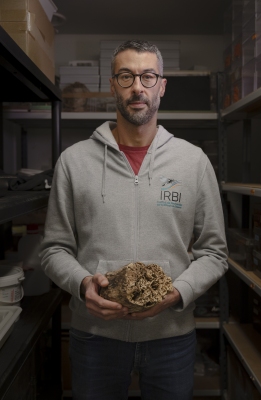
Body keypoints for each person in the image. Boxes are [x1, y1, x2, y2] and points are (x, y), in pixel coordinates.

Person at [40, 40, 228, 400]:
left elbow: (215, 252)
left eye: (147, 76)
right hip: (95, 338)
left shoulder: (193, 162)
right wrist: (82, 284)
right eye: (126, 76)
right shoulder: (74, 161)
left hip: (170, 337)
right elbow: (54, 249)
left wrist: (175, 294)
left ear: (162, 85)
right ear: (112, 85)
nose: (137, 87)